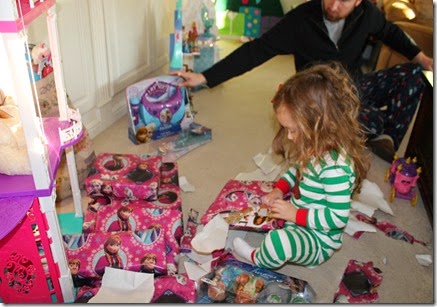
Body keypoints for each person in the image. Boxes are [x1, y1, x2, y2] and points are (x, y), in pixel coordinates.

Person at [171, 0, 433, 162]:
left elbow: (392, 32)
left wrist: (423, 59)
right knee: (370, 120)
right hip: (321, 101)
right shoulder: (301, 19)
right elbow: (257, 50)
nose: (333, 6)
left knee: (412, 75)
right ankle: (374, 128)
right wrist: (205, 76)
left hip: (355, 87)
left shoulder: (368, 16)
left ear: (359, 2)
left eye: (344, 1)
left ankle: (388, 141)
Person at [232, 63, 370, 269]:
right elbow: (296, 171)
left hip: (319, 239)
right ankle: (288, 234)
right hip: (299, 221)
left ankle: (255, 257)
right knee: (272, 220)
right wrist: (279, 189)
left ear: (318, 124)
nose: (288, 136)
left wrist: (294, 214)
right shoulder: (315, 148)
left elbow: (337, 218)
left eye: (293, 130)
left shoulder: (335, 168)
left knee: (277, 243)